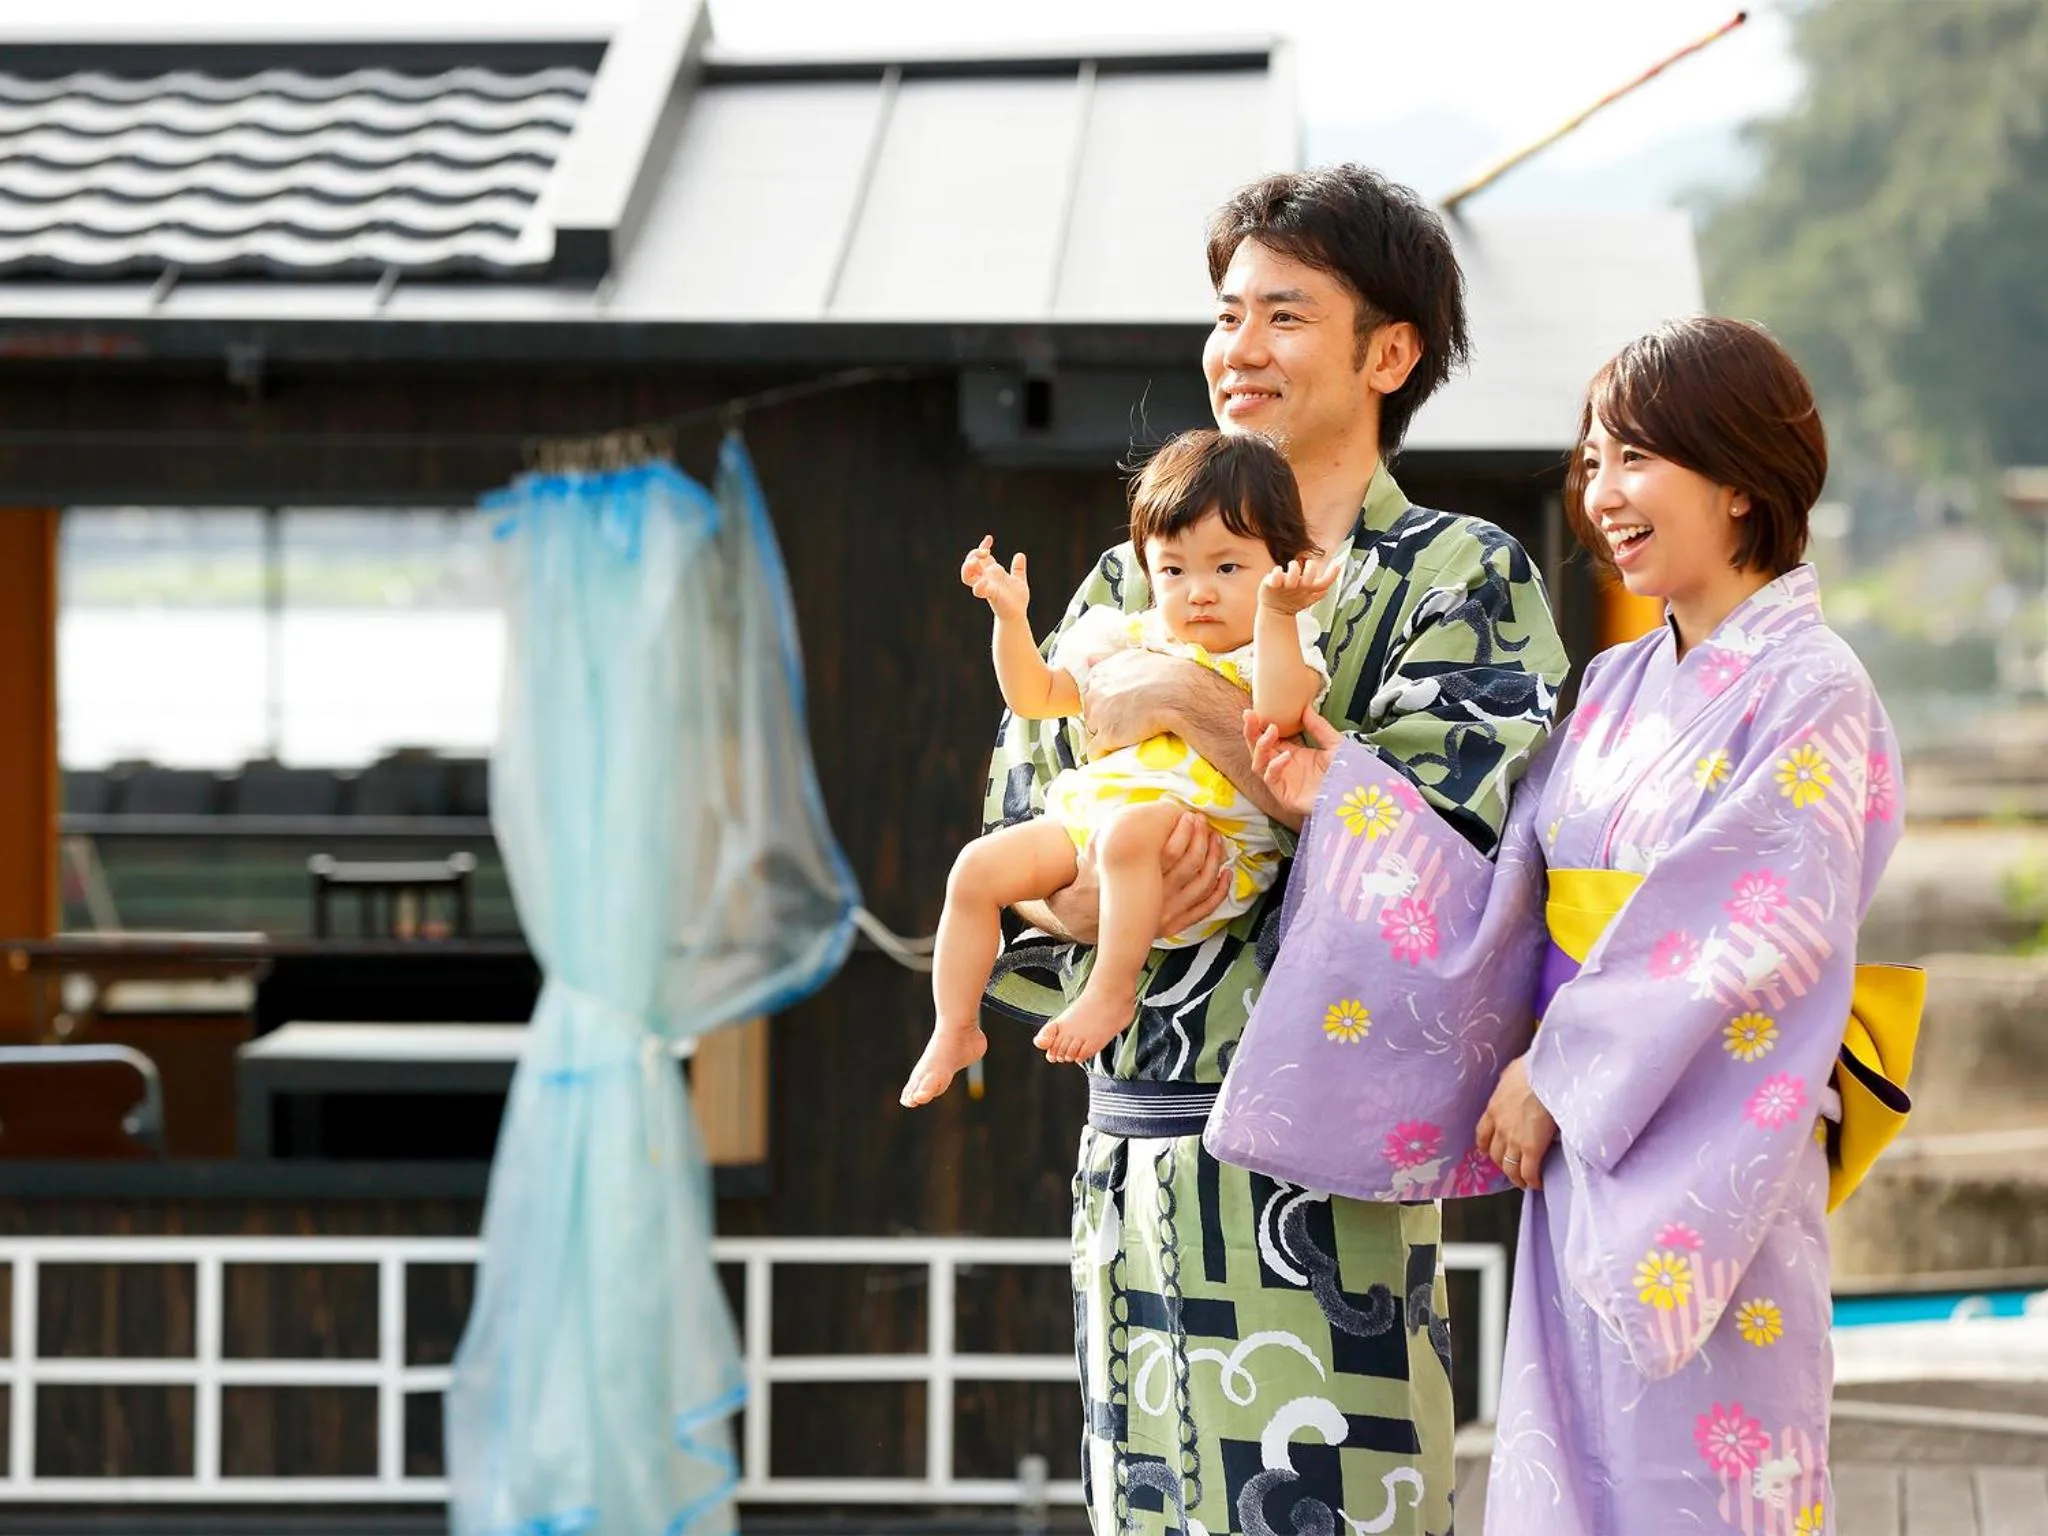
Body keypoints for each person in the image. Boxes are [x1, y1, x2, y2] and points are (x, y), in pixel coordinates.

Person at [981, 165, 1569, 1536]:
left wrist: (1193, 704)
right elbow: (1016, 825)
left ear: (1390, 351)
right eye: (1227, 311)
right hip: (1127, 1185)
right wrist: (1079, 908)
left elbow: (1461, 883)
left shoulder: (1458, 580)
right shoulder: (1131, 577)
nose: (1237, 349)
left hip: (1326, 1197)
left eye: (1284, 315)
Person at [1247, 316, 1907, 1536]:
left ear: (1741, 475)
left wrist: (1558, 1069)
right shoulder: (1609, 685)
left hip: (1708, 1147)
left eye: (1637, 459)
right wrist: (1346, 798)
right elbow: (1510, 898)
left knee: (1701, 1484)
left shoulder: (1813, 688)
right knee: (1571, 1479)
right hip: (1586, 1153)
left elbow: (1743, 931)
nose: (1601, 493)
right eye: (1591, 460)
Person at [901, 430, 1339, 1104]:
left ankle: (1111, 992)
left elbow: (1279, 714)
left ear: (1281, 564)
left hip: (1209, 843)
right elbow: (1035, 695)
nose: (1198, 592)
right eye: (1173, 570)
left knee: (1128, 834)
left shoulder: (1274, 644)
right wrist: (1009, 619)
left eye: (1228, 569)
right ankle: (956, 1026)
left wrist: (1279, 614)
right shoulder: (1126, 635)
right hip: (1095, 825)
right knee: (977, 867)